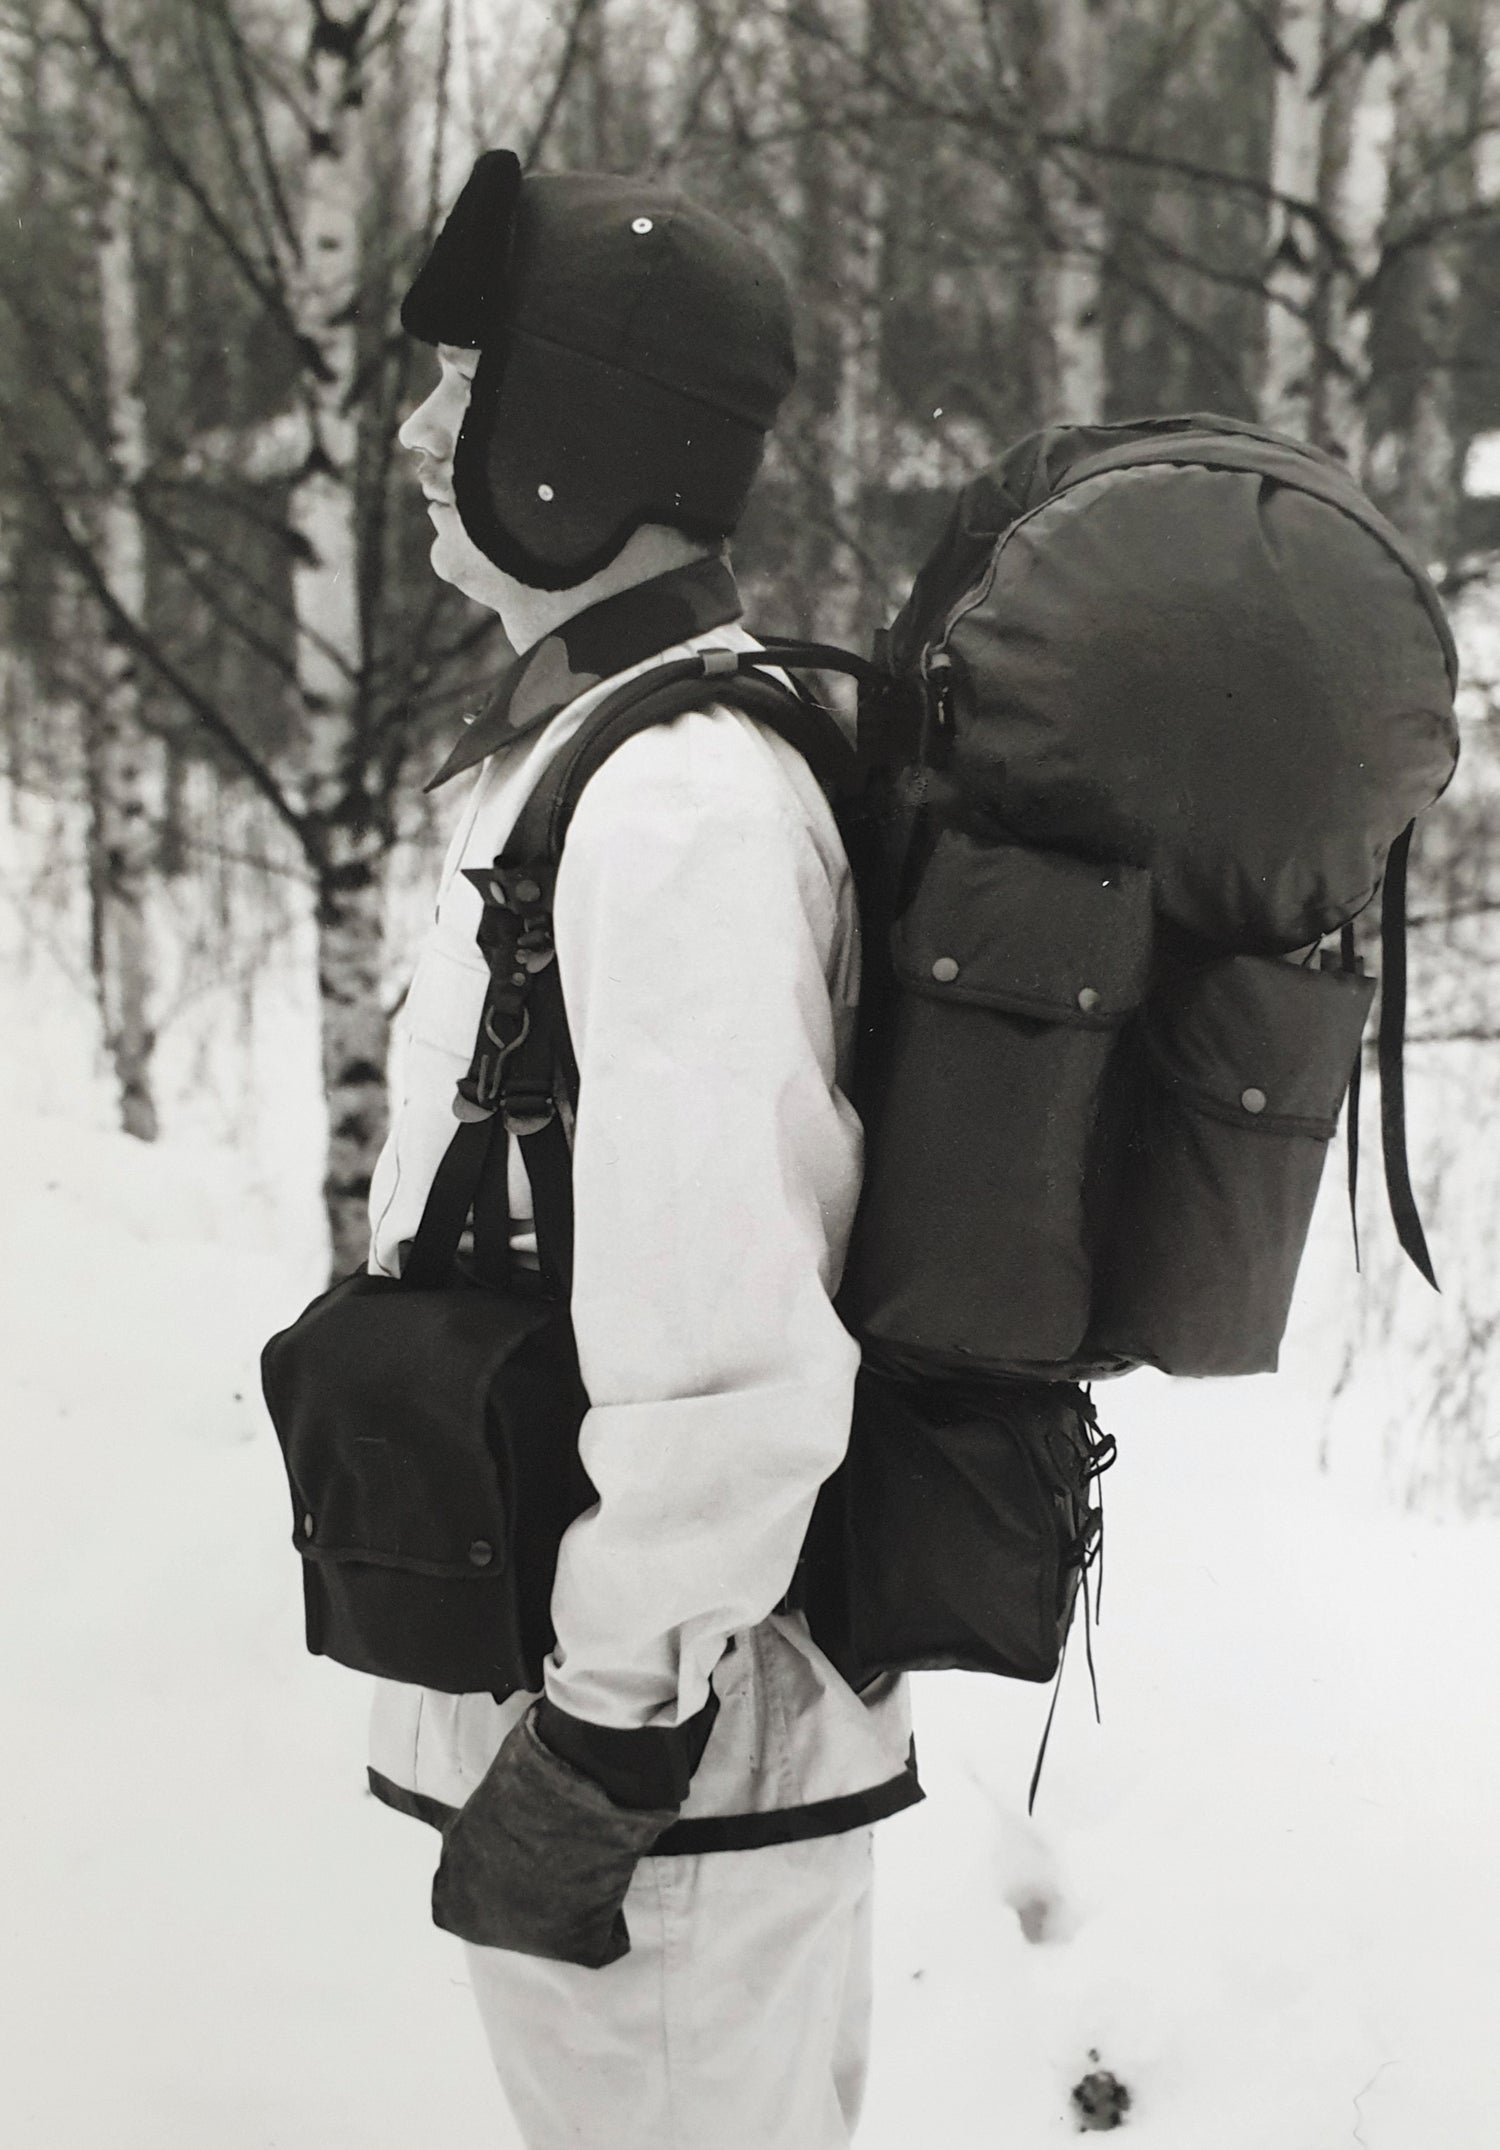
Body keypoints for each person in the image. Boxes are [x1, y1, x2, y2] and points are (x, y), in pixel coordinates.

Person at [365, 149, 919, 2150]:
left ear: (574, 440)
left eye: (466, 387)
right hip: (664, 1758)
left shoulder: (677, 806)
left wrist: (604, 1742)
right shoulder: (621, 748)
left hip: (662, 1790)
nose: (416, 434)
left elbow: (723, 1331)